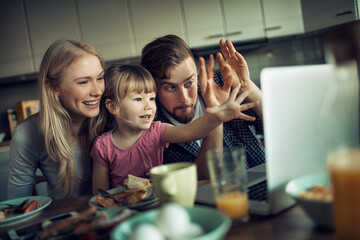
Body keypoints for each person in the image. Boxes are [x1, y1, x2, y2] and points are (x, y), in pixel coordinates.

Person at [91, 64, 258, 192]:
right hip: (124, 208)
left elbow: (191, 130)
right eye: (138, 99)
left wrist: (218, 116)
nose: (149, 106)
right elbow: (100, 195)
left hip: (159, 200)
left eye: (151, 98)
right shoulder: (102, 146)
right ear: (113, 107)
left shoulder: (156, 131)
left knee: (216, 184)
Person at [141, 35, 265, 179]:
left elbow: (279, 127)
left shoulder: (221, 81)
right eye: (170, 88)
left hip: (263, 182)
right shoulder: (152, 129)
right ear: (152, 89)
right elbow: (203, 178)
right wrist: (216, 117)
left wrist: (246, 85)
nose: (184, 98)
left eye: (189, 83)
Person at [8, 39, 106, 199]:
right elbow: (18, 207)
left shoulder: (113, 116)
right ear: (54, 87)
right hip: (65, 222)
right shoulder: (27, 134)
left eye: (100, 78)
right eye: (83, 82)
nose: (97, 91)